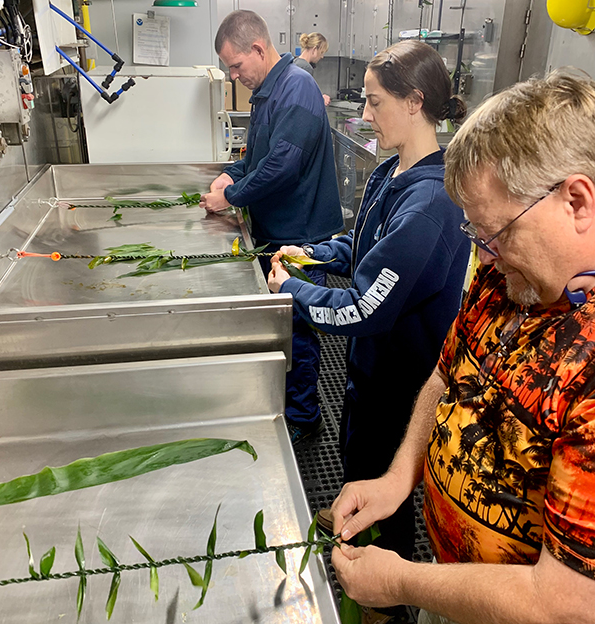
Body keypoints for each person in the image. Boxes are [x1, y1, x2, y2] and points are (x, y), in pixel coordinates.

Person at [330, 69, 595, 624]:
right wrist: (400, 476)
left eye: (497, 234)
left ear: (576, 201)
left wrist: (402, 580)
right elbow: (449, 371)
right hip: (454, 589)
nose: (486, 255)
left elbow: (564, 604)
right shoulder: (507, 275)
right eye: (478, 236)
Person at [267, 40, 470, 577]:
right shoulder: (390, 174)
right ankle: (356, 536)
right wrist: (313, 255)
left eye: (375, 103)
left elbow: (363, 309)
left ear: (413, 102)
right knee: (357, 466)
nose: (364, 115)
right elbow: (361, 248)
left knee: (388, 494)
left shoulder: (431, 203)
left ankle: (388, 592)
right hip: (367, 372)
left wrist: (293, 290)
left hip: (401, 386)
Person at [200, 10, 343, 443]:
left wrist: (231, 196)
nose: (233, 75)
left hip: (298, 237)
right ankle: (284, 404)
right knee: (280, 327)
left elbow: (282, 167)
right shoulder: (268, 91)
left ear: (258, 49)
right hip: (274, 231)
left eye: (236, 65)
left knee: (297, 330)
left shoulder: (296, 87)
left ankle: (304, 418)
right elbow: (259, 156)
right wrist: (231, 172)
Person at [293, 32, 331, 105]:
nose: (322, 56)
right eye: (321, 52)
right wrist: (321, 99)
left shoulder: (296, 62)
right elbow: (304, 100)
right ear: (314, 49)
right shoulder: (305, 68)